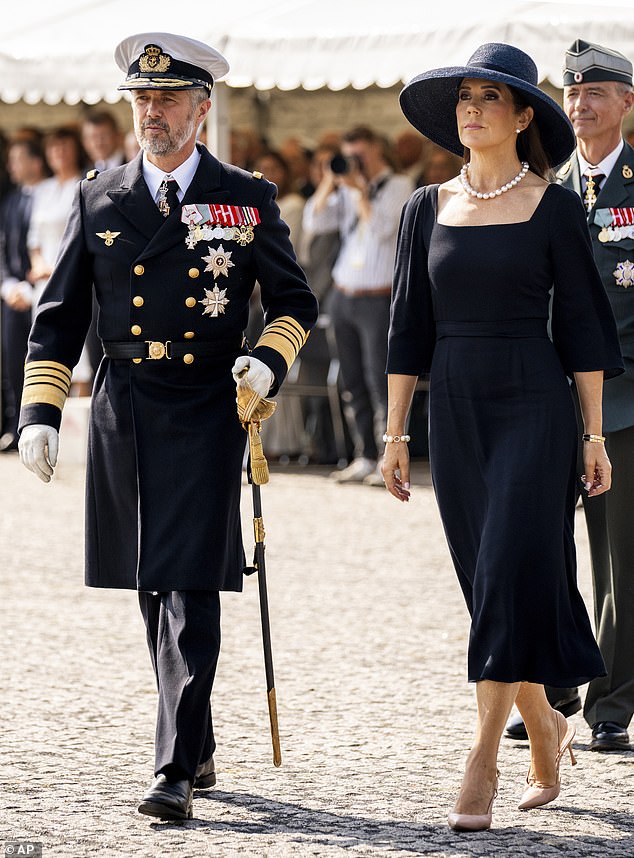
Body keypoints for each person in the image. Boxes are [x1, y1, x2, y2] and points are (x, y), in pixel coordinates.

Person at [18, 32, 317, 821]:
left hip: (207, 402)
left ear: (201, 108)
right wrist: (41, 412)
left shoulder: (243, 194)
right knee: (149, 580)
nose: (152, 112)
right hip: (125, 403)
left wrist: (267, 360)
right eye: (141, 99)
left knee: (190, 577)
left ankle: (174, 766)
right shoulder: (98, 193)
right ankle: (200, 736)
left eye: (168, 99)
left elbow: (295, 301)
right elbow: (59, 315)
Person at [383, 43, 623, 831]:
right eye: (464, 98)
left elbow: (586, 327)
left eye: (491, 97)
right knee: (491, 585)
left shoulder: (555, 208)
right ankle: (547, 725)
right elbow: (407, 329)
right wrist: (393, 435)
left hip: (534, 404)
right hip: (454, 411)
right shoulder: (424, 208)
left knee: (510, 565)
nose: (473, 108)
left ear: (524, 117)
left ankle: (481, 762)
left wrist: (593, 436)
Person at [505, 40, 634, 753]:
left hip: (624, 399)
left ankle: (611, 703)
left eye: (595, 93)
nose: (580, 106)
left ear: (626, 104)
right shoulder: (543, 190)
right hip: (544, 395)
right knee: (541, 549)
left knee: (618, 559)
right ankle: (552, 690)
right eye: (572, 94)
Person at [303, 125, 412, 484]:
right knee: (351, 380)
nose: (354, 162)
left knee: (379, 377)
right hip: (343, 295)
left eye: (359, 155)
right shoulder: (347, 189)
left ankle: (386, 456)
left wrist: (361, 191)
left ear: (377, 150)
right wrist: (330, 182)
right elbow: (314, 221)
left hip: (378, 297)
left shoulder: (398, 186)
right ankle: (362, 454)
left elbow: (383, 229)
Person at [0, 135, 48, 452]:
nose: (11, 166)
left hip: (43, 290)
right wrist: (7, 285)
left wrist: (33, 288)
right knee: (12, 360)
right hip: (12, 293)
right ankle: (14, 428)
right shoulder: (11, 201)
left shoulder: (48, 196)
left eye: (18, 159)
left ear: (35, 161)